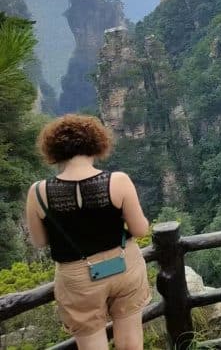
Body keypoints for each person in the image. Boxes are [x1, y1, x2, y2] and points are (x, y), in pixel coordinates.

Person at [23, 115, 150, 350]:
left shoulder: (38, 192)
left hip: (77, 277)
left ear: (53, 150)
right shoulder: (118, 181)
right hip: (123, 264)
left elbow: (39, 241)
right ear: (96, 143)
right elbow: (141, 230)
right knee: (131, 344)